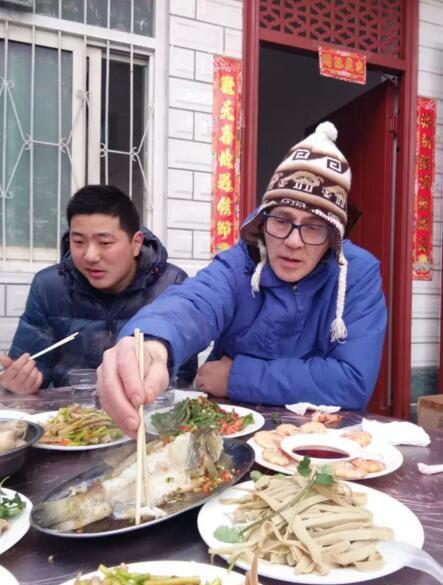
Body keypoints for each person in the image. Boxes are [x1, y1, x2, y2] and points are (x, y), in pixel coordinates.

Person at [97, 123, 387, 436]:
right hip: (229, 428)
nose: (293, 241)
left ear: (333, 237)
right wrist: (152, 342)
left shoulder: (357, 274)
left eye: (314, 227)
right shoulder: (241, 263)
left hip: (319, 437)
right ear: (262, 222)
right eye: (282, 220)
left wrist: (236, 376)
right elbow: (196, 301)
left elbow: (352, 381)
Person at [0, 185, 197, 394]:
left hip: (143, 405)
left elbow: (182, 376)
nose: (90, 256)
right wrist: (18, 384)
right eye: (78, 242)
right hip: (70, 410)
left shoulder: (170, 285)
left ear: (136, 243)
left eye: (104, 243)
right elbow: (32, 364)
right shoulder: (49, 287)